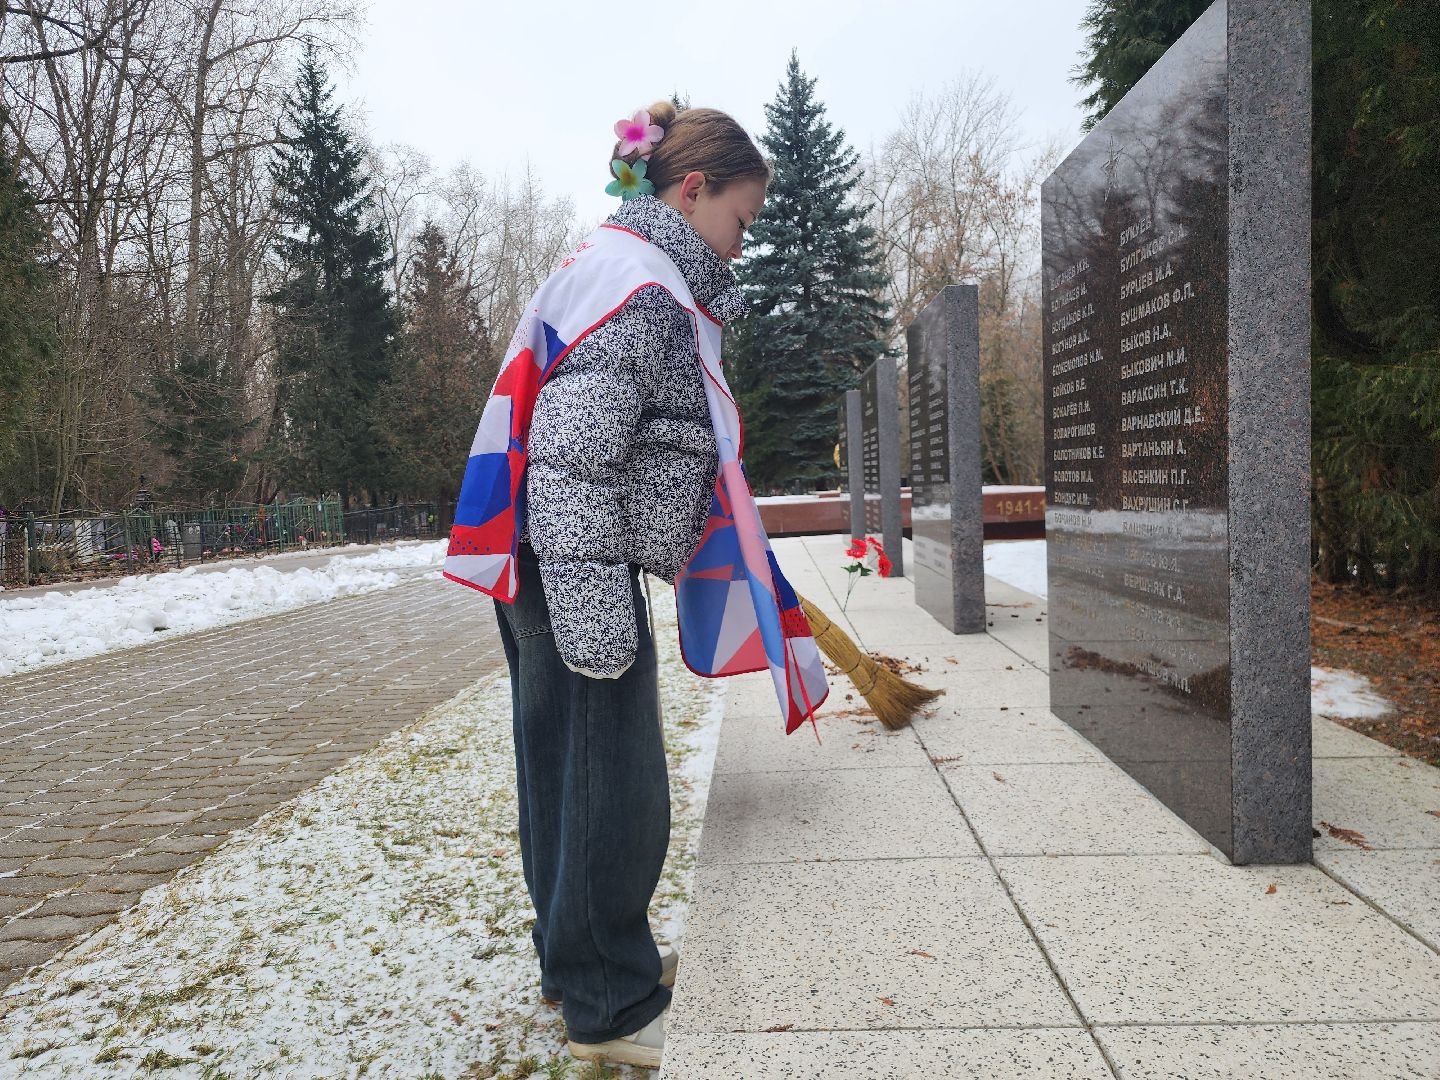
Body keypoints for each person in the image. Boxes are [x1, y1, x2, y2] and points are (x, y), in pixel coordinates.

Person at [447, 101, 770, 1069]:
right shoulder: (640, 287)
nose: (742, 243)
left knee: (562, 774)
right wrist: (593, 611)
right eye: (741, 219)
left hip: (550, 554)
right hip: (571, 561)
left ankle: (580, 963)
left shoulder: (621, 266)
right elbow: (575, 456)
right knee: (608, 782)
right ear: (693, 189)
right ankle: (611, 1006)